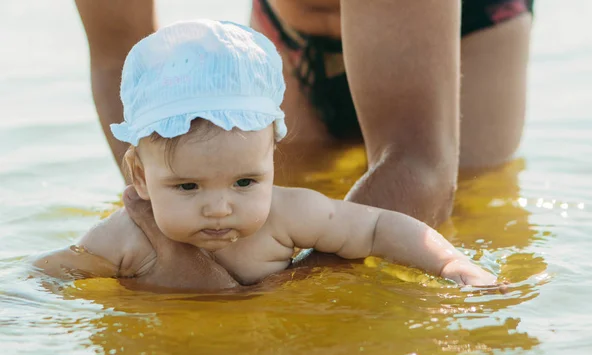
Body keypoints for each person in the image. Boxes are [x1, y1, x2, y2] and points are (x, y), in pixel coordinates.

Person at [32, 20, 497, 292]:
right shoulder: (125, 237)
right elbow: (46, 276)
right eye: (187, 186)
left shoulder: (287, 215)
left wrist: (449, 263)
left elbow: (377, 227)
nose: (219, 206)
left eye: (245, 182)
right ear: (138, 175)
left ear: (272, 159)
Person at [75, 0, 534, 228]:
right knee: (252, 197)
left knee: (471, 214)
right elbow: (119, 57)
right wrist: (158, 214)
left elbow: (420, 163)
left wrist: (292, 287)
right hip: (289, 30)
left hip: (465, 31)